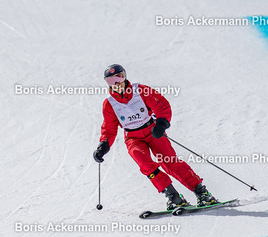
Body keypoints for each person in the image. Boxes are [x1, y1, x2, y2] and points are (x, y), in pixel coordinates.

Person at [93, 64, 218, 210]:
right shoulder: (110, 104)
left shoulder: (140, 90)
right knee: (145, 164)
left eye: (119, 78)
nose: (116, 83)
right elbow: (109, 128)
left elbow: (161, 105)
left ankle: (202, 193)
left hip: (153, 131)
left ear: (125, 77)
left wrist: (161, 124)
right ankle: (174, 197)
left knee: (169, 162)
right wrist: (103, 146)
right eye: (111, 81)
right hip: (133, 138)